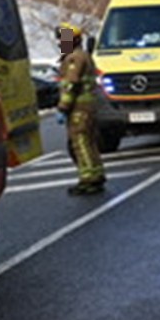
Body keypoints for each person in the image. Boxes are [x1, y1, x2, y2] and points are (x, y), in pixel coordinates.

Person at [55, 22, 106, 195]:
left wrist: (63, 107)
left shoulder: (74, 58)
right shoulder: (83, 56)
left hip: (79, 108)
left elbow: (71, 84)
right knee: (89, 142)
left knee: (80, 143)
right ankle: (96, 173)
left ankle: (88, 179)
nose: (60, 43)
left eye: (63, 40)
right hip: (87, 107)